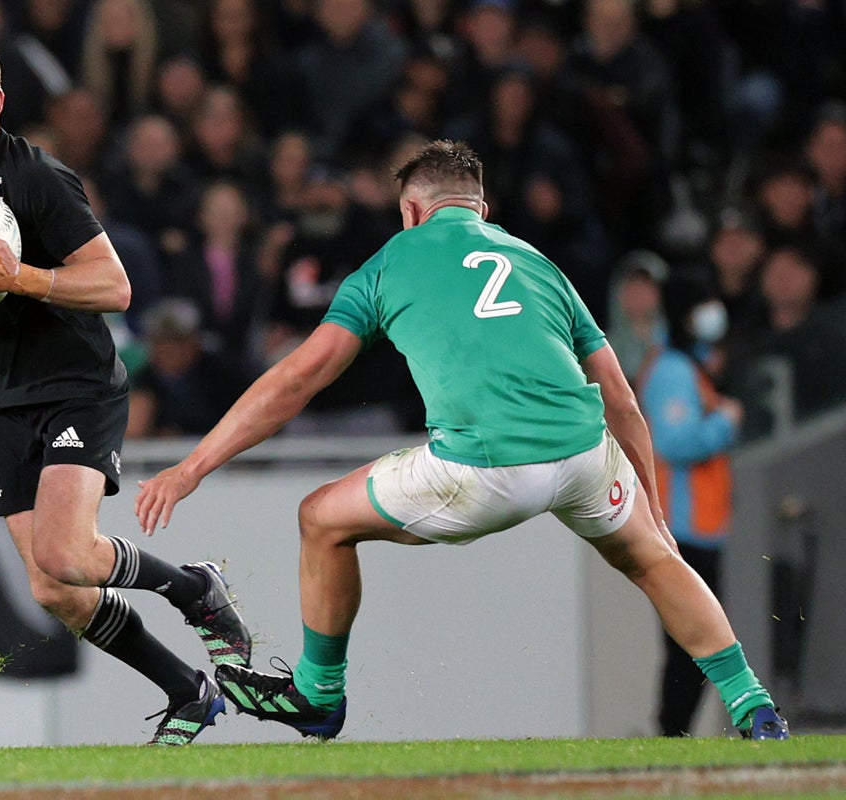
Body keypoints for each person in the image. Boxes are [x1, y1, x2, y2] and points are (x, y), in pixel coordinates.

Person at [135, 140, 789, 742]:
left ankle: (317, 695)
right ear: (482, 209)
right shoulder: (537, 263)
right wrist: (650, 504)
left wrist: (192, 467)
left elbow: (296, 379)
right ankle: (754, 707)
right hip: (585, 453)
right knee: (655, 561)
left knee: (321, 519)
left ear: (412, 212)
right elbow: (620, 398)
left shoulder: (391, 261)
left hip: (484, 467)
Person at [0, 27, 250, 746]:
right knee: (53, 589)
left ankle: (195, 588)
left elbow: (115, 287)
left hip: (78, 385)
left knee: (66, 553)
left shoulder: (38, 178)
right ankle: (188, 690)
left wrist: (20, 278)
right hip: (3, 400)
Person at [637, 272, 742, 737]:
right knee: (692, 645)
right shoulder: (674, 370)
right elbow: (675, 442)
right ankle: (671, 736)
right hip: (682, 526)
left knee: (692, 645)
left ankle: (672, 738)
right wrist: (725, 421)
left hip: (695, 527)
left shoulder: (684, 364)